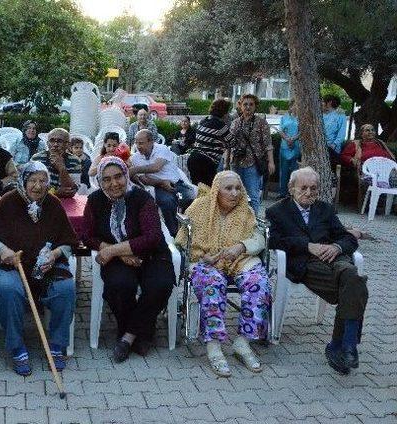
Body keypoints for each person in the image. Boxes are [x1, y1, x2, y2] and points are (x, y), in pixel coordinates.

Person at [0, 161, 78, 376]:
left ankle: (57, 344)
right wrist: (3, 249)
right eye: (32, 180)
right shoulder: (8, 202)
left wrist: (55, 254)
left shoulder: (52, 204)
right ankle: (16, 347)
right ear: (24, 181)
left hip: (47, 266)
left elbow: (70, 242)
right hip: (13, 266)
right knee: (8, 290)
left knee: (66, 290)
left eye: (43, 181)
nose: (37, 186)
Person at [266, 167, 367, 375]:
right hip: (305, 264)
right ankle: (343, 345)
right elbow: (274, 241)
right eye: (303, 188)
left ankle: (342, 346)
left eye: (314, 188)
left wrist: (336, 247)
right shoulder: (277, 211)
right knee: (355, 285)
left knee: (353, 278)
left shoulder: (325, 209)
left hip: (334, 260)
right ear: (291, 188)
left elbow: (347, 237)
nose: (309, 192)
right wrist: (307, 246)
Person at [176, 171, 271, 377]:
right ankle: (214, 347)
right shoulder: (200, 207)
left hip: (239, 259)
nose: (235, 193)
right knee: (212, 283)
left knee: (260, 282)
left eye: (238, 188)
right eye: (228, 188)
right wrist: (202, 257)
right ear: (217, 190)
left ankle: (243, 343)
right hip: (205, 260)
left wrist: (240, 246)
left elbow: (258, 238)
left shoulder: (245, 211)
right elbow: (182, 239)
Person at [82, 157, 174, 362]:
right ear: (99, 181)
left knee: (160, 284)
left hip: (152, 254)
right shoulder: (95, 200)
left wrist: (114, 250)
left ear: (126, 175)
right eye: (106, 179)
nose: (113, 183)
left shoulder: (142, 198)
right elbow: (87, 236)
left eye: (118, 177)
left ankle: (128, 336)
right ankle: (142, 331)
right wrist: (116, 252)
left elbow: (152, 237)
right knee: (120, 285)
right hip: (117, 258)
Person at [129, 129, 196, 236]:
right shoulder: (135, 158)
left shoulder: (162, 149)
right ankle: (174, 234)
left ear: (151, 141)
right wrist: (161, 183)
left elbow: (156, 167)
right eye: (136, 143)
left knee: (191, 199)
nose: (138, 146)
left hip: (177, 183)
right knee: (167, 202)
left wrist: (135, 169)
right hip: (159, 186)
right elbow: (143, 179)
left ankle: (192, 231)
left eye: (141, 143)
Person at [228, 94, 275, 215]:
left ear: (255, 106)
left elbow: (268, 144)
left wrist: (271, 162)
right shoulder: (235, 123)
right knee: (235, 194)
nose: (248, 107)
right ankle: (238, 220)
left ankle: (254, 223)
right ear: (240, 106)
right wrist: (226, 162)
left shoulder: (261, 123)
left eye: (251, 104)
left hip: (253, 163)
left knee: (253, 195)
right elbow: (228, 143)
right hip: (236, 163)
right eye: (245, 104)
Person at [187, 99, 233, 186]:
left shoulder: (203, 120)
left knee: (198, 190)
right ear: (224, 112)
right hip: (206, 162)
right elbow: (232, 142)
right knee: (209, 191)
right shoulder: (220, 125)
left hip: (193, 158)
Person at [31, 128, 81, 198]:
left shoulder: (75, 161)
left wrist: (61, 167)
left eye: (60, 141)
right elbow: (32, 188)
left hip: (66, 202)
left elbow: (71, 190)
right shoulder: (37, 158)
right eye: (52, 141)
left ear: (68, 145)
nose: (55, 144)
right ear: (47, 143)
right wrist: (55, 192)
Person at [278, 100, 302, 198]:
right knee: (283, 170)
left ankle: (292, 193)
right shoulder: (284, 117)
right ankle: (282, 192)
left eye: (298, 105)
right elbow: (280, 130)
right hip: (284, 146)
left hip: (296, 146)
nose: (296, 107)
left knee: (294, 170)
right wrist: (287, 139)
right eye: (294, 105)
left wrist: (293, 139)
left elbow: (302, 131)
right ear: (291, 106)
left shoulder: (301, 118)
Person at [322, 94, 347, 163]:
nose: (321, 103)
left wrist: (333, 145)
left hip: (332, 150)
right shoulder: (320, 114)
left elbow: (342, 133)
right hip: (319, 148)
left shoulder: (340, 115)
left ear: (329, 103)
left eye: (323, 101)